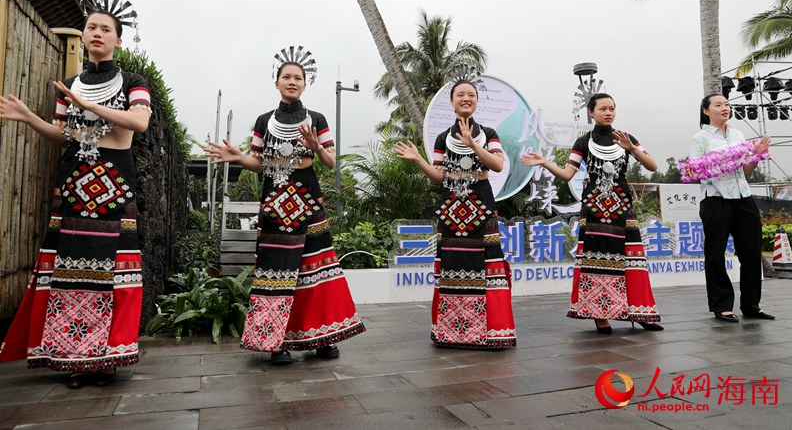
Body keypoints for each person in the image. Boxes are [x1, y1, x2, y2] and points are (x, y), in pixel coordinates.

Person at [0, 0, 151, 387]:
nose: (97, 33)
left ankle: (109, 357)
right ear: (83, 36)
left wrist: (90, 104)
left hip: (114, 188)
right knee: (71, 272)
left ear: (119, 39)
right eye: (91, 27)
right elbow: (63, 134)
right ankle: (76, 356)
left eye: (106, 29)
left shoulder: (134, 82)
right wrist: (29, 117)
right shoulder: (70, 84)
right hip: (74, 186)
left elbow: (138, 124)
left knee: (113, 273)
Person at [206, 46, 364, 364]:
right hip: (275, 205)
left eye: (298, 77)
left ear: (306, 84)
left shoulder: (316, 119)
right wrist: (239, 158)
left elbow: (331, 161)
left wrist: (317, 147)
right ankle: (275, 340)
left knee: (317, 268)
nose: (292, 81)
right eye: (286, 77)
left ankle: (323, 337)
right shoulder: (264, 121)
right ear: (276, 82)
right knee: (274, 270)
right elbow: (258, 163)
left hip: (307, 201)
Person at [521, 93, 662, 334]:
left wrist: (632, 149)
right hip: (595, 209)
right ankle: (600, 315)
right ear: (591, 112)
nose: (609, 113)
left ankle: (639, 312)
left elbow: (653, 166)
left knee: (631, 260)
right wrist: (544, 162)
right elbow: (567, 175)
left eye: (612, 108)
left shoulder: (625, 138)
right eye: (603, 109)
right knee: (597, 261)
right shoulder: (583, 142)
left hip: (621, 205)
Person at [394, 80, 516, 349]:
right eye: (460, 94)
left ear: (476, 101)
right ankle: (454, 331)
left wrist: (473, 143)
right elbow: (439, 177)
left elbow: (496, 165)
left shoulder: (489, 133)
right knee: (452, 264)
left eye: (471, 95)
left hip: (481, 204)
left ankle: (492, 331)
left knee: (488, 264)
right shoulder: (442, 138)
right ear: (451, 102)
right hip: (451, 207)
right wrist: (419, 160)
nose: (466, 98)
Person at [689, 94, 773, 323]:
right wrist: (728, 160)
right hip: (716, 198)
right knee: (715, 254)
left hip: (743, 196)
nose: (725, 108)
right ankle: (722, 305)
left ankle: (751, 305)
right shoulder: (701, 138)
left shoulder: (738, 135)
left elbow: (745, 172)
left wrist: (755, 156)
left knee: (752, 253)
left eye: (727, 104)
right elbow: (696, 172)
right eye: (718, 105)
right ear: (706, 111)